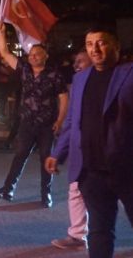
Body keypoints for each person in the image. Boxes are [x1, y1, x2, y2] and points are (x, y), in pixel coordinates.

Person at [45, 27, 133, 257]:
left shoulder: (129, 74)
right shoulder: (81, 78)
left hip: (127, 170)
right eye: (89, 43)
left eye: (101, 43)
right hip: (92, 171)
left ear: (116, 45)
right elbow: (73, 120)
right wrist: (58, 153)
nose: (94, 49)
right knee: (99, 232)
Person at [0, 21, 68, 207]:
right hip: (26, 123)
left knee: (45, 160)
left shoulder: (55, 75)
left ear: (45, 56)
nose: (33, 57)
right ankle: (8, 190)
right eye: (31, 54)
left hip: (47, 125)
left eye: (37, 54)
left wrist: (60, 120)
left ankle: (45, 195)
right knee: (20, 156)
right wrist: (2, 33)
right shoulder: (24, 70)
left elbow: (64, 98)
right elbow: (5, 53)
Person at [50, 48, 91, 251]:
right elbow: (71, 122)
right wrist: (57, 153)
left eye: (81, 61)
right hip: (80, 153)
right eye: (75, 62)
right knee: (76, 191)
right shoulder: (77, 85)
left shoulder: (116, 81)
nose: (75, 66)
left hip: (110, 155)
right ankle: (77, 235)